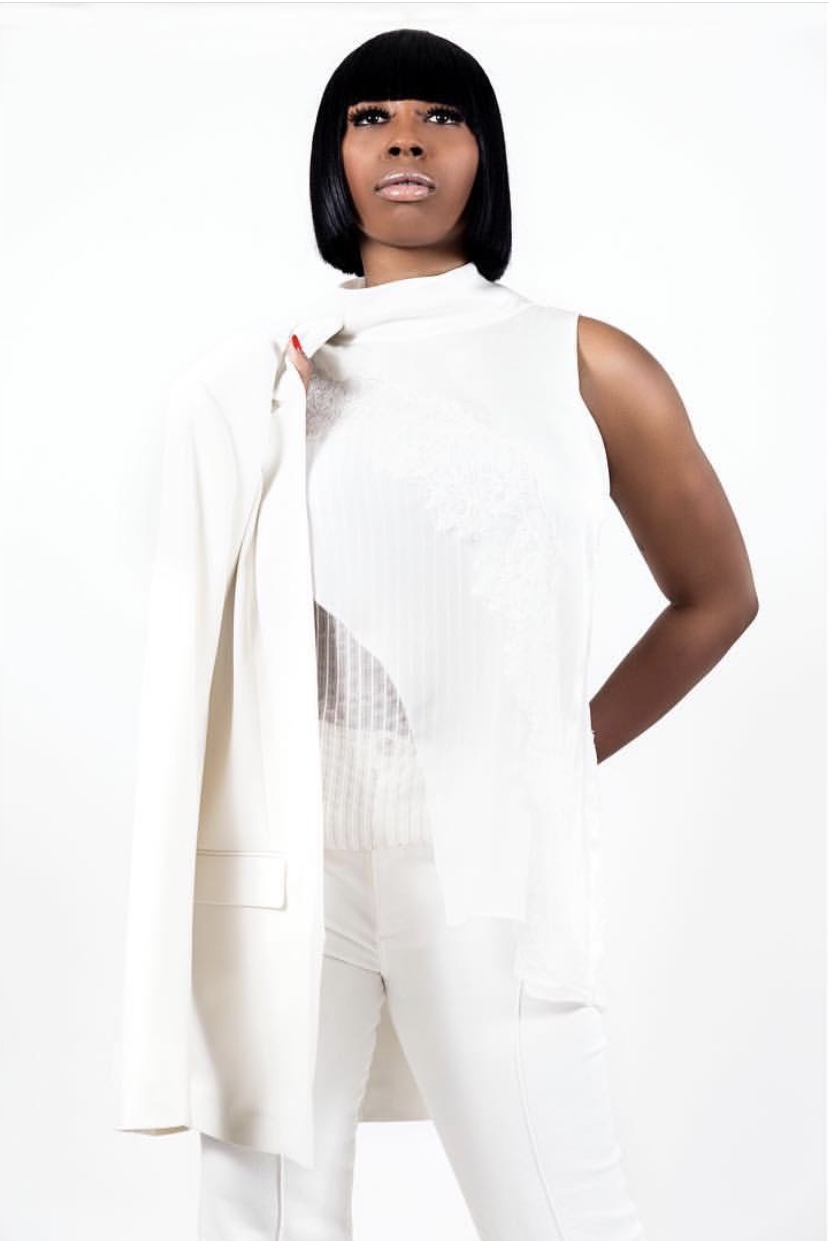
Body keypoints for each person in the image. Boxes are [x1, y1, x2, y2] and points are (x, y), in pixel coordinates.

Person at [188, 26, 759, 1241]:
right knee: (260, 1213)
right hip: (284, 846)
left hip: (484, 852)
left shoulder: (579, 358)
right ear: (333, 159)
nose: (404, 138)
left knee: (559, 1207)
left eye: (440, 117)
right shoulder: (276, 373)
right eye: (371, 117)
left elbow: (715, 596)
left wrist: (551, 750)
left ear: (484, 156)